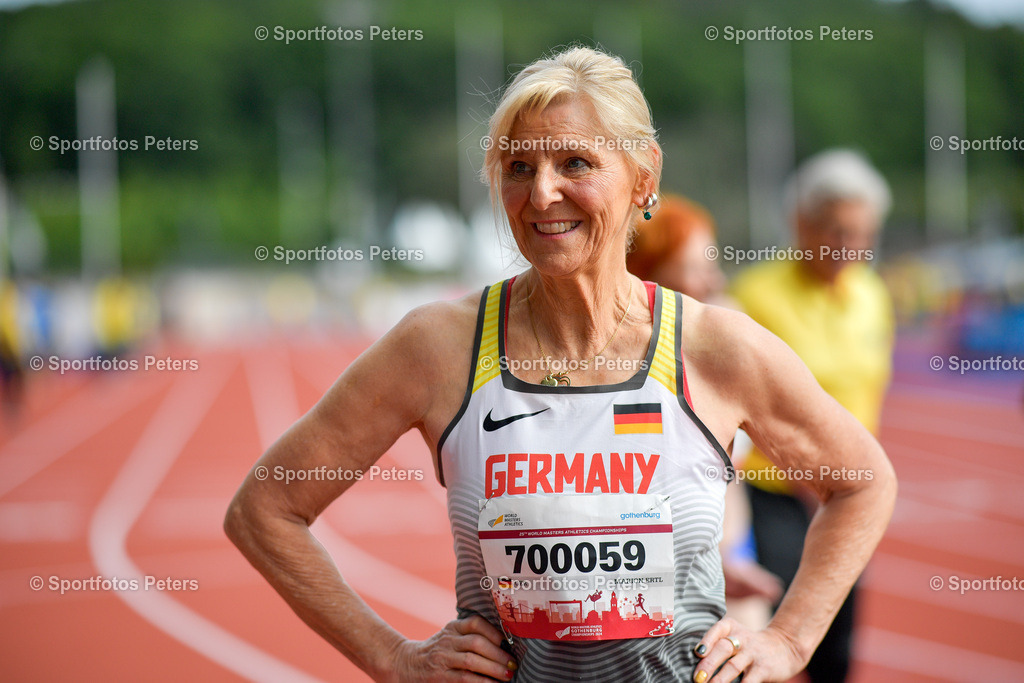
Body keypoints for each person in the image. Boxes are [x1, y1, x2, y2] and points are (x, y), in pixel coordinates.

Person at [225, 47, 896, 683]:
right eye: (518, 167)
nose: (542, 194)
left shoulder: (716, 346)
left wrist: (788, 640)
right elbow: (266, 507)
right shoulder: (438, 346)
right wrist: (393, 658)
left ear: (644, 176)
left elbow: (862, 482)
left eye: (575, 162)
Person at [731, 149, 895, 682]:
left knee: (837, 645)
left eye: (863, 235)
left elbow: (869, 394)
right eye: (838, 232)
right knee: (765, 638)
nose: (851, 247)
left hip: (846, 493)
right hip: (773, 496)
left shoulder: (873, 296)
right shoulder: (755, 296)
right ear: (801, 223)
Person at [628, 196, 784, 632]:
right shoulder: (614, 368)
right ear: (649, 273)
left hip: (731, 554)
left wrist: (730, 556)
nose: (715, 278)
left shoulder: (729, 336)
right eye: (696, 268)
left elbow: (729, 474)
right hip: (641, 573)